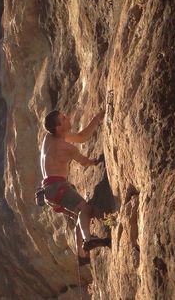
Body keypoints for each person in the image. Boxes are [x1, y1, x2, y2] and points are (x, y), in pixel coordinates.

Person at [40, 109, 110, 264]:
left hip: (49, 192)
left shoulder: (48, 138)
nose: (68, 117)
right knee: (85, 210)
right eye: (64, 118)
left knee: (78, 216)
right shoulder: (66, 149)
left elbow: (80, 137)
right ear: (58, 127)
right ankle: (88, 239)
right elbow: (84, 161)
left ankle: (82, 255)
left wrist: (97, 117)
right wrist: (94, 162)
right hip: (57, 188)